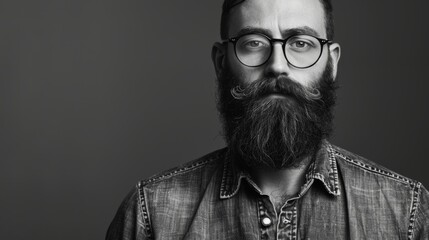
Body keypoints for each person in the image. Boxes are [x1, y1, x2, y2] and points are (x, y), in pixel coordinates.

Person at [106, 0, 429, 239]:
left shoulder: (406, 212)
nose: (277, 65)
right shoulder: (152, 215)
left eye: (301, 43)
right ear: (221, 62)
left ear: (331, 63)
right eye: (254, 44)